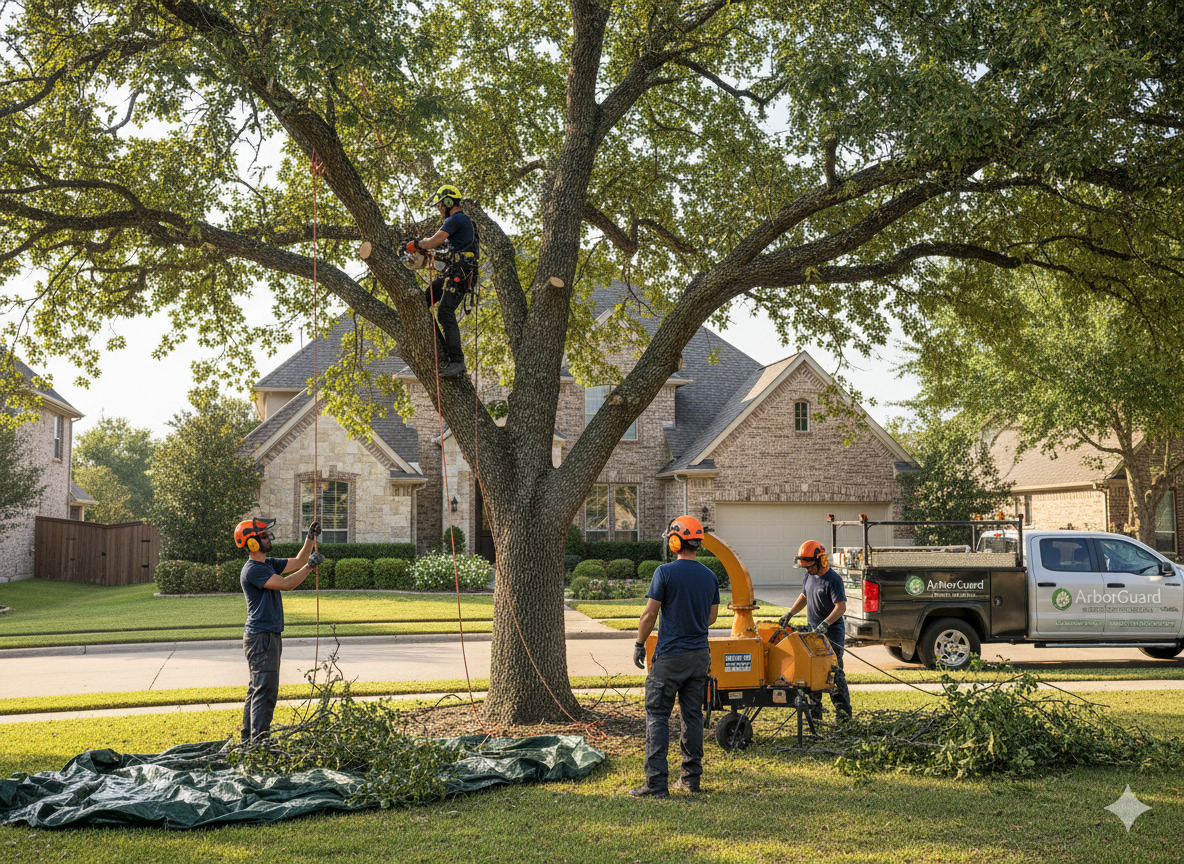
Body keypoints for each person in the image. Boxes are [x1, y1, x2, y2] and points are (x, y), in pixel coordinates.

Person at [629, 515, 720, 798]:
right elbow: (713, 617)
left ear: (675, 540)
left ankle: (656, 785)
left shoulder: (664, 572)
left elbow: (649, 614)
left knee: (657, 715)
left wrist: (639, 643)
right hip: (699, 656)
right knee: (692, 717)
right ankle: (691, 780)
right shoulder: (710, 576)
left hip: (670, 657)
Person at [235, 517, 325, 741]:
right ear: (252, 543)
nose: (268, 537)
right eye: (263, 535)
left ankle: (249, 740)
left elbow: (296, 561)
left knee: (257, 688)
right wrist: (310, 567)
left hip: (267, 636)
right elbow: (286, 584)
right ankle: (259, 743)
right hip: (261, 638)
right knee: (265, 691)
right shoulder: (253, 570)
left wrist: (309, 538)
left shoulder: (266, 564)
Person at [407, 183, 479, 377]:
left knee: (445, 311)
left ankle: (457, 361)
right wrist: (426, 252)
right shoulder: (458, 224)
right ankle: (414, 342)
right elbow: (440, 249)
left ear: (448, 201)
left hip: (460, 273)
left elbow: (434, 241)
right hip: (451, 271)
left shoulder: (457, 219)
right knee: (423, 301)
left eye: (440, 205)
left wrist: (416, 244)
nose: (439, 209)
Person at [778, 539, 852, 720]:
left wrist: (826, 624)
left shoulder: (833, 580)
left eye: (810, 566)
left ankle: (843, 715)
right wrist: (790, 613)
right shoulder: (809, 576)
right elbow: (804, 596)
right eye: (805, 566)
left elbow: (840, 607)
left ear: (821, 561)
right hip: (814, 631)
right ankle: (815, 714)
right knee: (811, 671)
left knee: (833, 674)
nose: (808, 569)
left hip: (831, 633)